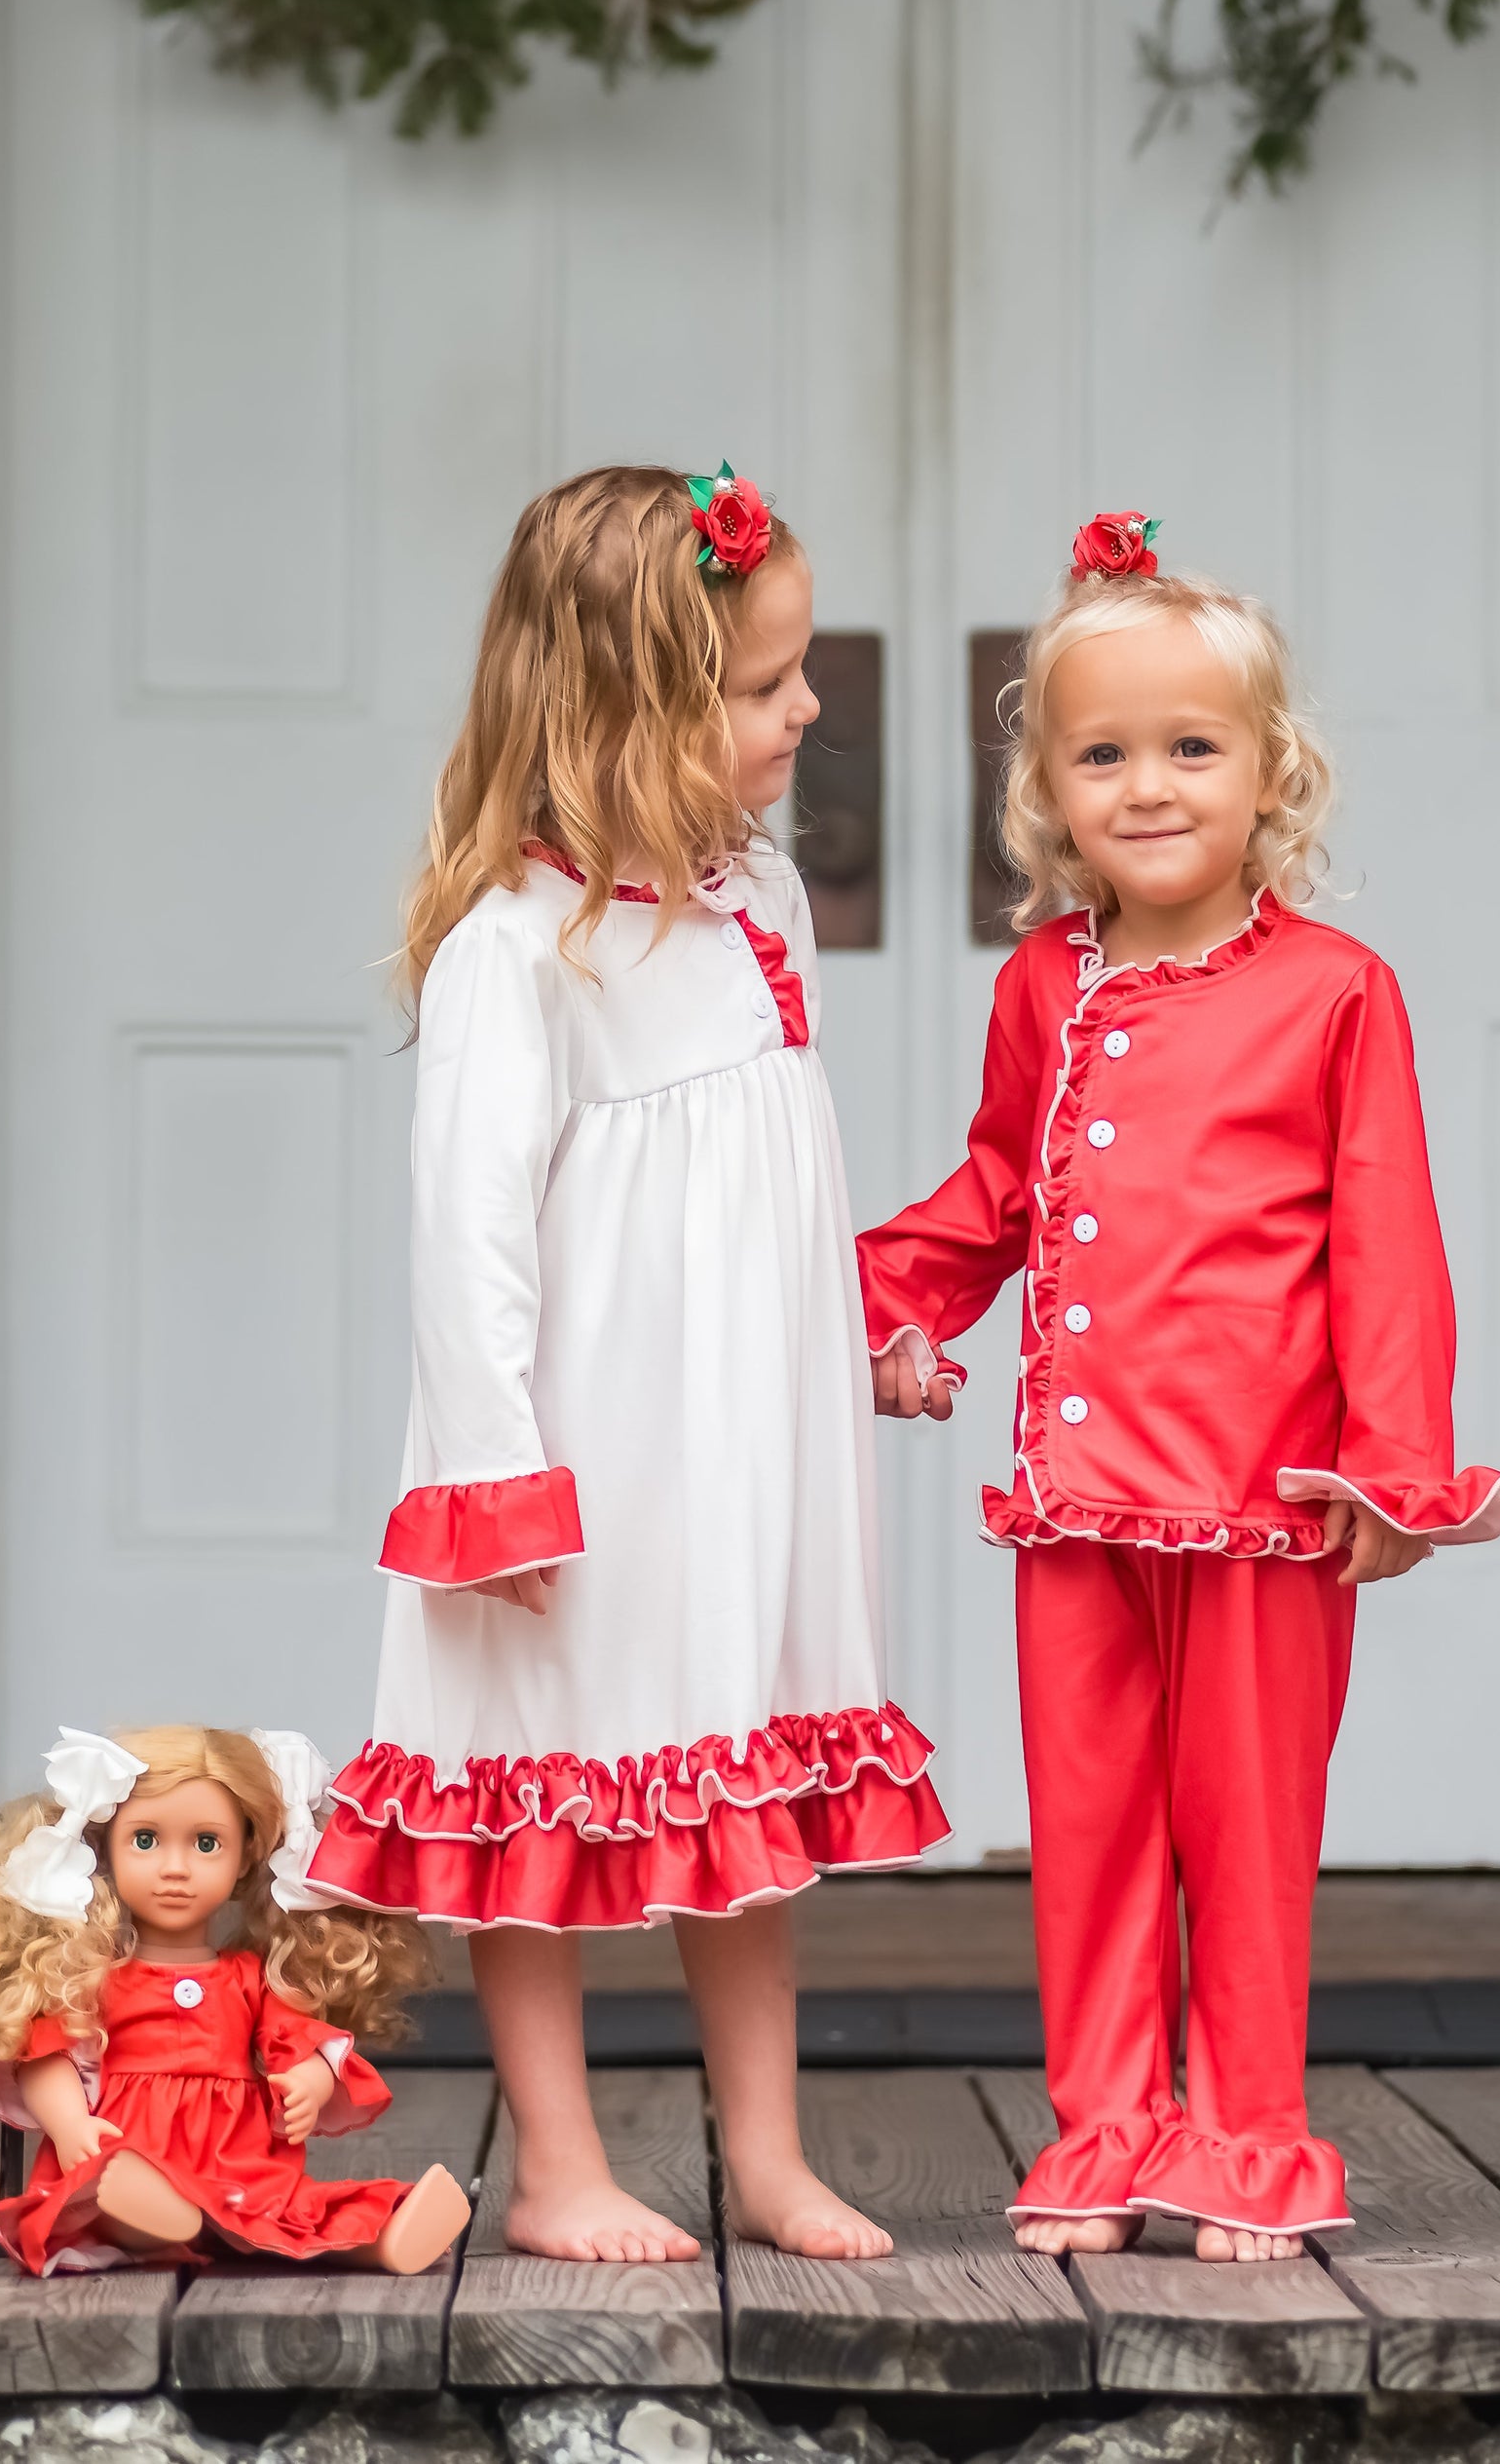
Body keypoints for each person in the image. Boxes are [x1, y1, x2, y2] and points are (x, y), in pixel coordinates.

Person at [307, 463, 947, 2264]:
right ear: (624, 708)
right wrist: (493, 1478)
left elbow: (764, 1176)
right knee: (548, 1784)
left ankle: (769, 2153)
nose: (805, 710)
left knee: (730, 1780)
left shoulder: (760, 895)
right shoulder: (520, 949)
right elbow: (469, 1241)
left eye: (798, 672)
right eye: (762, 685)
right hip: (578, 1460)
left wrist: (852, 1332)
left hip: (736, 1450)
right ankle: (561, 2164)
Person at [864, 512, 1500, 2261]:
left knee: (1244, 1831)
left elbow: (1389, 1242)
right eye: (1103, 754)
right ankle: (1105, 2127)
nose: (1147, 786)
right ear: (1047, 792)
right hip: (1077, 1497)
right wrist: (869, 1299)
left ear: (1270, 770)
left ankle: (1245, 2137)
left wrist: (1396, 1465)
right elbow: (999, 1190)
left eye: (1191, 747)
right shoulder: (1043, 984)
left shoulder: (1335, 992)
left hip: (1266, 1497)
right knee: (1088, 1826)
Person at [0, 1723, 469, 2278]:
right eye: (145, 1840)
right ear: (105, 1851)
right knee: (111, 2187)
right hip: (127, 2148)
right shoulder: (89, 1976)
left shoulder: (250, 1977)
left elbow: (301, 2041)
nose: (175, 1869)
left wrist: (309, 2082)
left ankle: (385, 2239)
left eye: (206, 1844)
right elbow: (47, 2053)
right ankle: (148, 2219)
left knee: (283, 2216)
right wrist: (70, 2125)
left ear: (245, 1857)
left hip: (238, 2163)